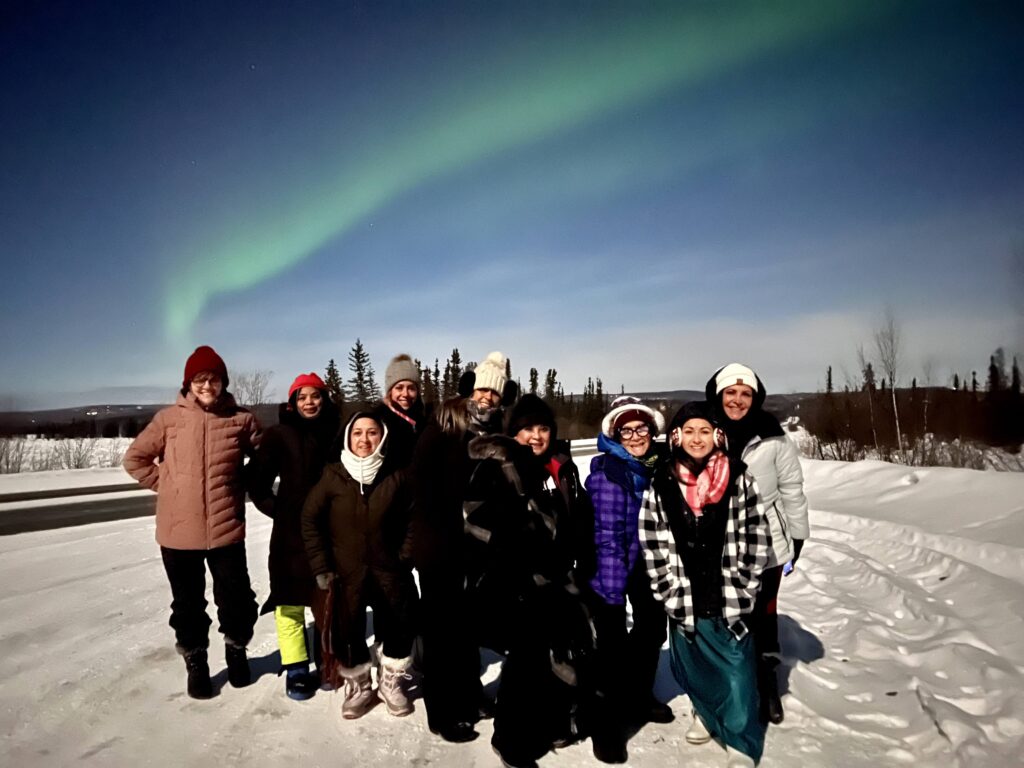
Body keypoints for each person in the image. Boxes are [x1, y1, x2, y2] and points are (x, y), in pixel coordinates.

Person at [463, 394, 594, 768]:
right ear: (513, 433)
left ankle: (554, 720)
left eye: (543, 428)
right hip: (507, 582)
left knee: (568, 644)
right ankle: (510, 739)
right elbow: (476, 523)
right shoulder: (495, 467)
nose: (536, 436)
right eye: (527, 429)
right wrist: (519, 556)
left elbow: (574, 518)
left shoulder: (561, 467)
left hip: (556, 577)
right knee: (529, 653)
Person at [123, 345, 260, 699]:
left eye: (213, 379)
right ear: (188, 384)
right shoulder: (168, 420)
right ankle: (196, 662)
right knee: (187, 606)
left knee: (237, 600)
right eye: (200, 379)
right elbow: (135, 459)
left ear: (223, 383)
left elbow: (264, 460)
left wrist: (242, 483)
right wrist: (167, 485)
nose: (207, 385)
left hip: (226, 530)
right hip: (178, 535)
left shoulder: (241, 420)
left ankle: (236, 650)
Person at [640, 401, 771, 768]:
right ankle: (706, 713)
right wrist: (666, 588)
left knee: (737, 669)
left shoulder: (738, 477)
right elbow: (652, 540)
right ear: (676, 437)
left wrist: (746, 583)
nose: (697, 439)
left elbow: (758, 534)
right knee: (694, 664)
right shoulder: (663, 481)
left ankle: (741, 740)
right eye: (689, 431)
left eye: (704, 431)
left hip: (727, 588)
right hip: (684, 592)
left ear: (717, 435)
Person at [409, 351, 517, 743]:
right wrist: (435, 537)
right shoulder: (444, 425)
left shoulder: (497, 431)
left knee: (468, 628)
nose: (487, 397)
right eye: (483, 389)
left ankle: (469, 694)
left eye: (495, 393)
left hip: (478, 548)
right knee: (441, 633)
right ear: (471, 389)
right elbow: (420, 485)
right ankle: (442, 711)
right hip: (440, 544)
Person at [705, 363, 810, 724]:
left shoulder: (772, 437)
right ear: (718, 395)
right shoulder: (706, 432)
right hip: (720, 545)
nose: (737, 400)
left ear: (755, 398)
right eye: (730, 393)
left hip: (767, 543)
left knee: (763, 613)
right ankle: (732, 683)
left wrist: (798, 536)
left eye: (745, 394)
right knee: (727, 613)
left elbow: (792, 489)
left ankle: (766, 684)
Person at [301, 413, 418, 719]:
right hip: (346, 573)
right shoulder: (333, 475)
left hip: (390, 571)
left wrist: (404, 557)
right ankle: (360, 685)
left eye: (372, 433)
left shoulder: (397, 475)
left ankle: (391, 683)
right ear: (347, 438)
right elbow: (310, 520)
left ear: (383, 437)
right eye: (357, 433)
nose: (364, 440)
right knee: (349, 630)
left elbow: (413, 519)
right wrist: (322, 566)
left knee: (398, 627)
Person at [585, 396, 671, 764]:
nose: (636, 436)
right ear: (615, 435)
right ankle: (606, 728)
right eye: (627, 431)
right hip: (612, 567)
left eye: (641, 429)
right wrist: (611, 591)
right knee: (611, 647)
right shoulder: (608, 473)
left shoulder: (659, 466)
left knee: (652, 630)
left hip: (649, 563)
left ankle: (639, 697)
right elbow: (606, 537)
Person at [246, 372, 341, 700]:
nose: (309, 402)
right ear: (293, 402)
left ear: (324, 399)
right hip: (289, 537)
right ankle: (296, 667)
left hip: (329, 533)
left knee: (326, 601)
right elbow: (257, 484)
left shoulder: (337, 432)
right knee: (288, 602)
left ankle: (327, 661)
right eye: (302, 397)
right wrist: (281, 511)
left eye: (315, 396)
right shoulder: (279, 435)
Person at [373, 353, 426, 472]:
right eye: (399, 388)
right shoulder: (377, 421)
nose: (405, 394)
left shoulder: (423, 421)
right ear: (390, 391)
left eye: (411, 388)